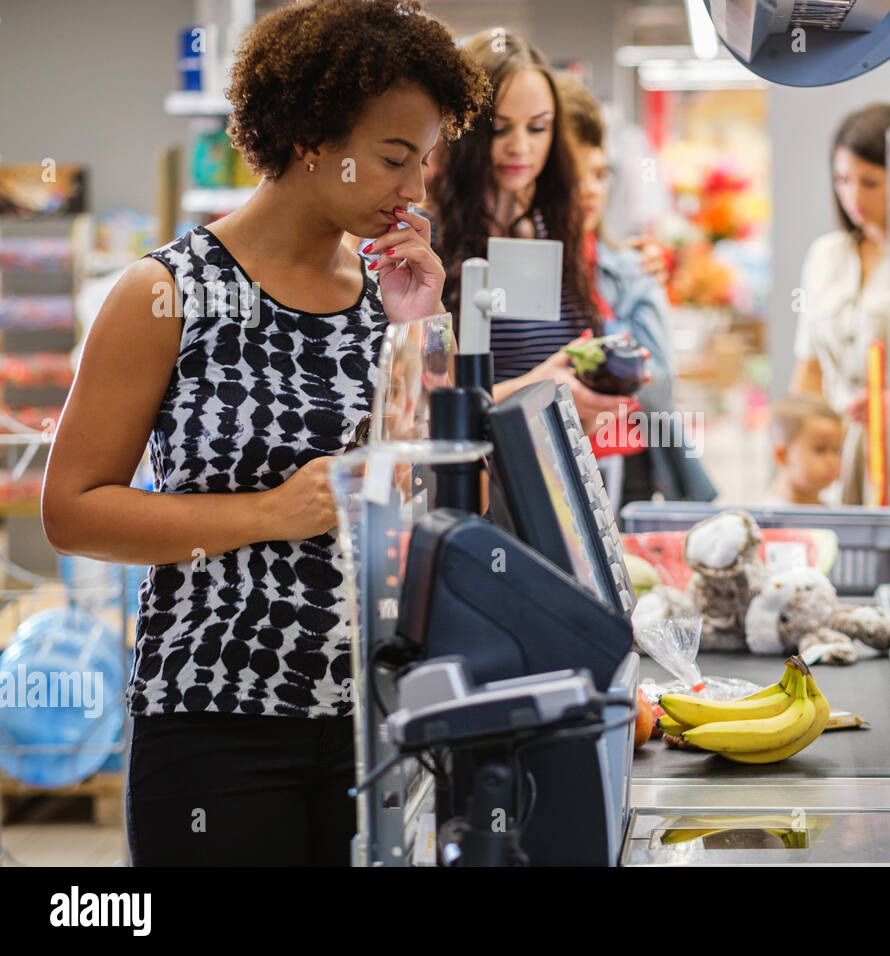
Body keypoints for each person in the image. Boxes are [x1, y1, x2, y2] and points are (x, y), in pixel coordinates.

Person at [40, 0, 489, 866]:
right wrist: (269, 514)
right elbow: (72, 510)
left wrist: (421, 329)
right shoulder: (167, 292)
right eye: (397, 158)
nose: (417, 188)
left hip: (374, 712)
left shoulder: (386, 294)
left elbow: (437, 494)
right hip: (217, 721)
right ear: (312, 135)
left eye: (426, 160)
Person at [427, 29, 629, 436]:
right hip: (472, 485)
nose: (520, 147)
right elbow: (416, 409)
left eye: (537, 128)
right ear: (463, 129)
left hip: (554, 476)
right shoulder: (424, 243)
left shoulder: (555, 231)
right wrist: (536, 391)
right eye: (500, 129)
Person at [554, 73, 716, 507]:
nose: (590, 188)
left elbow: (659, 386)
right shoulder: (519, 270)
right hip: (546, 465)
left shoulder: (628, 269)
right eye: (574, 173)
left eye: (600, 174)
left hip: (627, 467)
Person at [790, 103, 890, 505]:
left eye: (870, 182)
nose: (853, 196)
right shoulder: (825, 256)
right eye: (842, 180)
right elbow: (808, 371)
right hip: (833, 454)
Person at [763, 393, 845, 507]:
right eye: (820, 450)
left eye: (837, 451)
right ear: (782, 456)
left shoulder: (838, 512)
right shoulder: (768, 520)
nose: (833, 461)